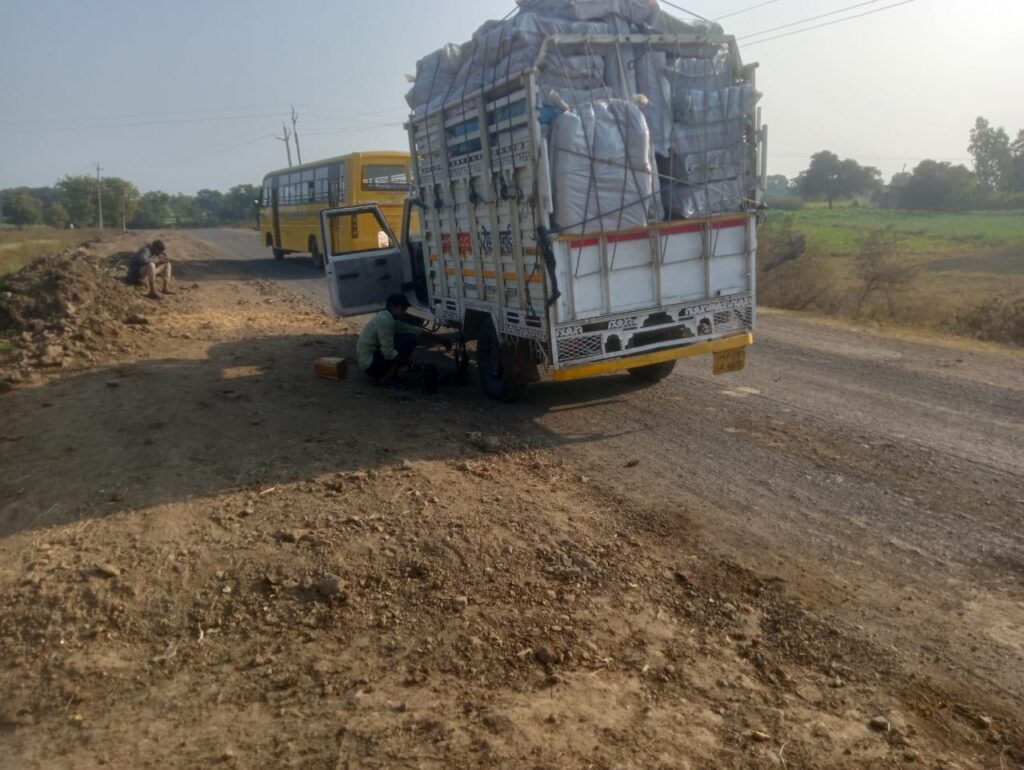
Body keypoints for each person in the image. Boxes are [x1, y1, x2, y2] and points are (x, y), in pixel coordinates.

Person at [356, 293, 451, 382]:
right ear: (392, 307)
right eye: (402, 309)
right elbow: (388, 353)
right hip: (369, 364)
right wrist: (410, 363)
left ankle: (390, 374)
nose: (404, 313)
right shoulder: (385, 322)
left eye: (405, 309)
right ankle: (387, 378)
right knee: (409, 341)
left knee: (407, 337)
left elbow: (413, 330)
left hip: (370, 359)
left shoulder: (389, 318)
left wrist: (442, 339)